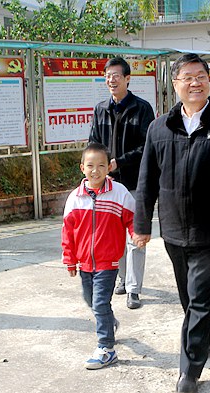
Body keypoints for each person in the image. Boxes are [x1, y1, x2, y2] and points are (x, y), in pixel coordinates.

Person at [133, 53, 210, 393]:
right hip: (173, 229)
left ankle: (189, 370)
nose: (195, 83)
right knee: (190, 298)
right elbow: (146, 181)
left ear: (208, 81)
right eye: (187, 77)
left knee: (200, 298)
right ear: (176, 84)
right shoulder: (159, 128)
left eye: (200, 76)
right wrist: (142, 224)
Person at [89, 57, 155, 310]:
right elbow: (93, 143)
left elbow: (147, 147)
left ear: (128, 79)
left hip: (135, 182)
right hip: (109, 184)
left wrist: (119, 162)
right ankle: (123, 279)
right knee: (114, 236)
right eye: (108, 76)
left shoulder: (142, 109)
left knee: (135, 236)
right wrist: (97, 168)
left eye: (116, 75)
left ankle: (134, 289)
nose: (111, 80)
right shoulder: (100, 109)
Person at [61, 143, 135, 370]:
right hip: (84, 263)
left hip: (108, 261)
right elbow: (67, 231)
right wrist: (70, 259)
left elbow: (132, 217)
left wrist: (136, 234)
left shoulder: (119, 193)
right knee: (91, 300)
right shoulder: (75, 198)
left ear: (109, 167)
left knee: (100, 302)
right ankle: (109, 323)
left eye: (101, 165)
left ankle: (106, 348)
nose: (96, 170)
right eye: (90, 165)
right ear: (82, 168)